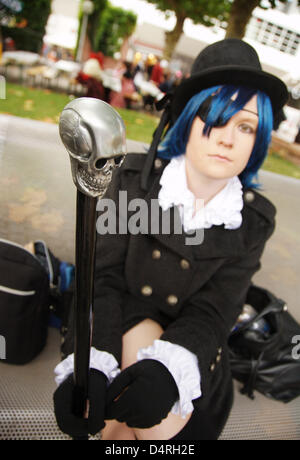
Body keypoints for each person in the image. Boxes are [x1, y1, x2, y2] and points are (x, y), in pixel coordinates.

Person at [53, 39, 288, 440]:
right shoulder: (131, 181)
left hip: (194, 349)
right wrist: (90, 363)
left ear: (258, 138)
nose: (228, 138)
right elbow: (102, 280)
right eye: (215, 116)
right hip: (119, 318)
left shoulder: (251, 221)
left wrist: (167, 371)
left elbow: (216, 310)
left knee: (157, 427)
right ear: (187, 119)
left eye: (245, 125)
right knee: (106, 413)